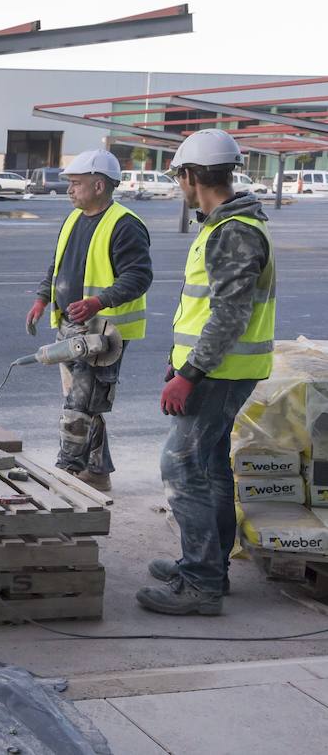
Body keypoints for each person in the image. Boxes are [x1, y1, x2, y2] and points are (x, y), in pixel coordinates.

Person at [137, 129, 276, 616]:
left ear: (192, 176)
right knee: (212, 467)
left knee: (181, 466)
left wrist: (189, 373)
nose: (179, 184)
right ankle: (208, 566)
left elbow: (229, 314)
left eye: (179, 176)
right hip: (220, 370)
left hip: (217, 374)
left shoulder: (233, 231)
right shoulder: (224, 225)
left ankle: (200, 584)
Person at [26, 149, 152, 492]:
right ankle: (97, 473)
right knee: (86, 402)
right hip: (71, 325)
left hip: (103, 333)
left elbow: (138, 277)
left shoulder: (125, 225)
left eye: (76, 184)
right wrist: (42, 298)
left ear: (99, 185)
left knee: (79, 405)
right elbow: (57, 266)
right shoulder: (73, 218)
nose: (69, 190)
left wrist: (99, 301)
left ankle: (65, 473)